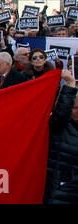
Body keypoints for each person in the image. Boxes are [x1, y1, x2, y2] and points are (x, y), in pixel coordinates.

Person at [43, 70, 78, 204]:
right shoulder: (60, 125)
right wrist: (70, 84)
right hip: (57, 187)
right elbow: (62, 110)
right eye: (76, 108)